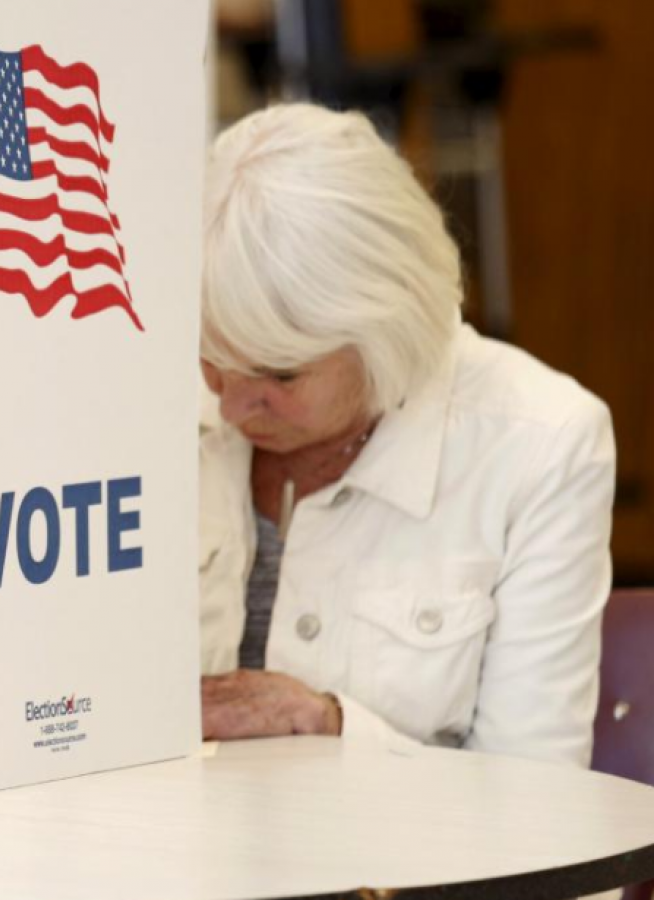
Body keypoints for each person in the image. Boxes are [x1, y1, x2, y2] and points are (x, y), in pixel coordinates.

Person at [197, 103, 617, 767]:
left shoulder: (542, 442)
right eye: (210, 358)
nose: (229, 405)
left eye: (277, 372)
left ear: (387, 333)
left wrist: (324, 724)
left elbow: (542, 816)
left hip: (397, 871)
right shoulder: (147, 404)